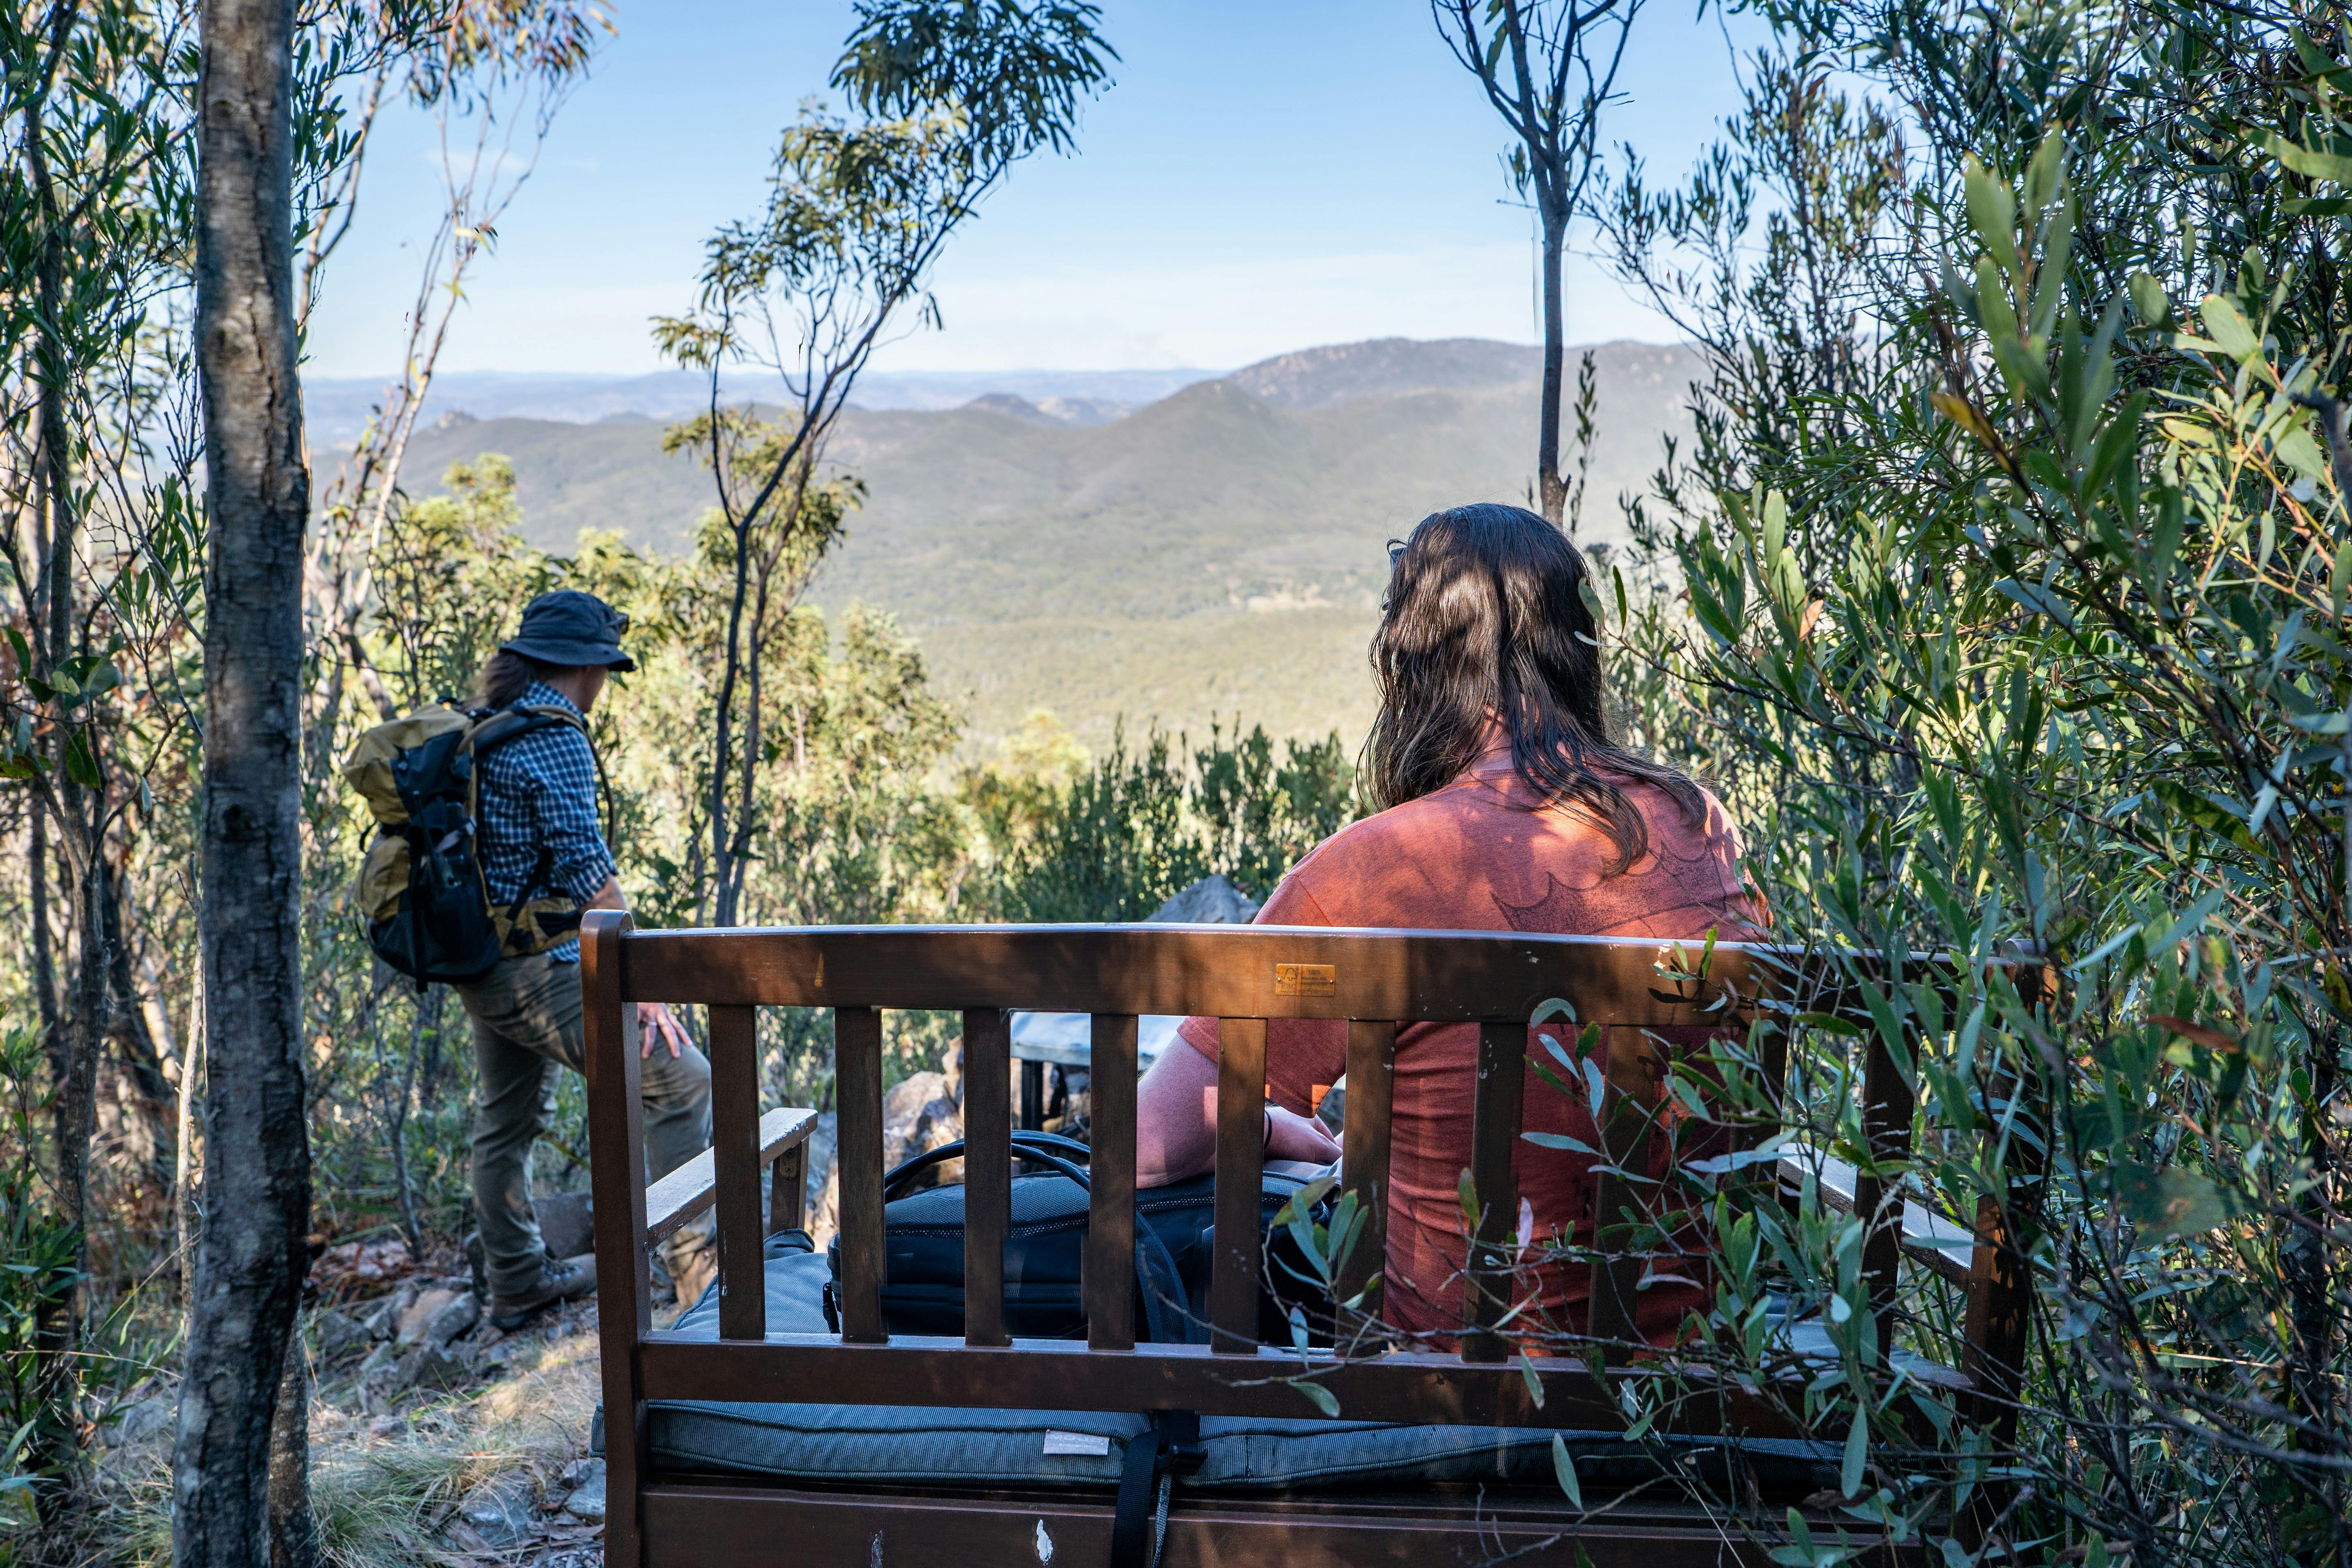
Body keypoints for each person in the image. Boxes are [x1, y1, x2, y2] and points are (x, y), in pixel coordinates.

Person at [1133, 504, 1760, 1347]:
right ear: (1577, 652)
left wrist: (1296, 1135)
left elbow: (1143, 1149)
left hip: (1455, 1378)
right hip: (1698, 1371)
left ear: (1410, 663)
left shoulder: (1376, 871)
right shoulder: (1697, 820)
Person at [455, 590, 712, 1329]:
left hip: (486, 967)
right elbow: (585, 868)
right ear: (588, 667)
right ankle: (698, 1280)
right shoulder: (554, 735)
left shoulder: (492, 726)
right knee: (681, 1079)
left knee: (505, 1122)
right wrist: (642, 977)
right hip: (534, 970)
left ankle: (516, 1280)